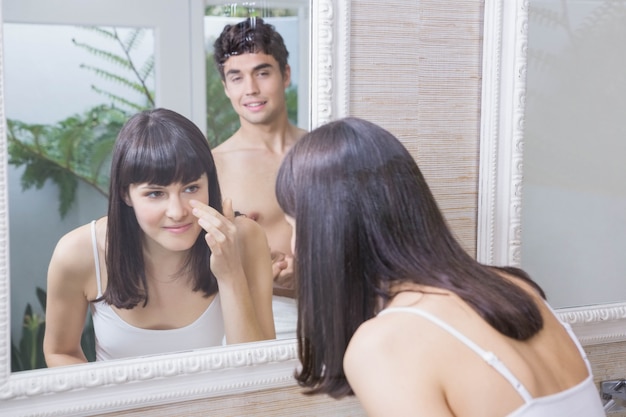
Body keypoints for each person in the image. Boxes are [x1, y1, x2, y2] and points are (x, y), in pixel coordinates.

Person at [275, 117, 605, 416]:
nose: (292, 245)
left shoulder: (385, 344)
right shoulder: (517, 288)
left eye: (295, 225)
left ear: (331, 231)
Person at [43, 108, 275, 366]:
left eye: (191, 188)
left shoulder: (244, 239)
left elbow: (260, 368)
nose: (177, 212)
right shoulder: (79, 252)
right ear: (125, 194)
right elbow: (60, 351)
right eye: (155, 193)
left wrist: (231, 274)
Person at [212, 17, 306, 338]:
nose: (250, 89)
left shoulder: (325, 152)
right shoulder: (214, 167)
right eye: (236, 78)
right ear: (225, 87)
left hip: (333, 307)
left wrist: (307, 274)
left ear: (286, 75)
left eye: (262, 73)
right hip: (257, 321)